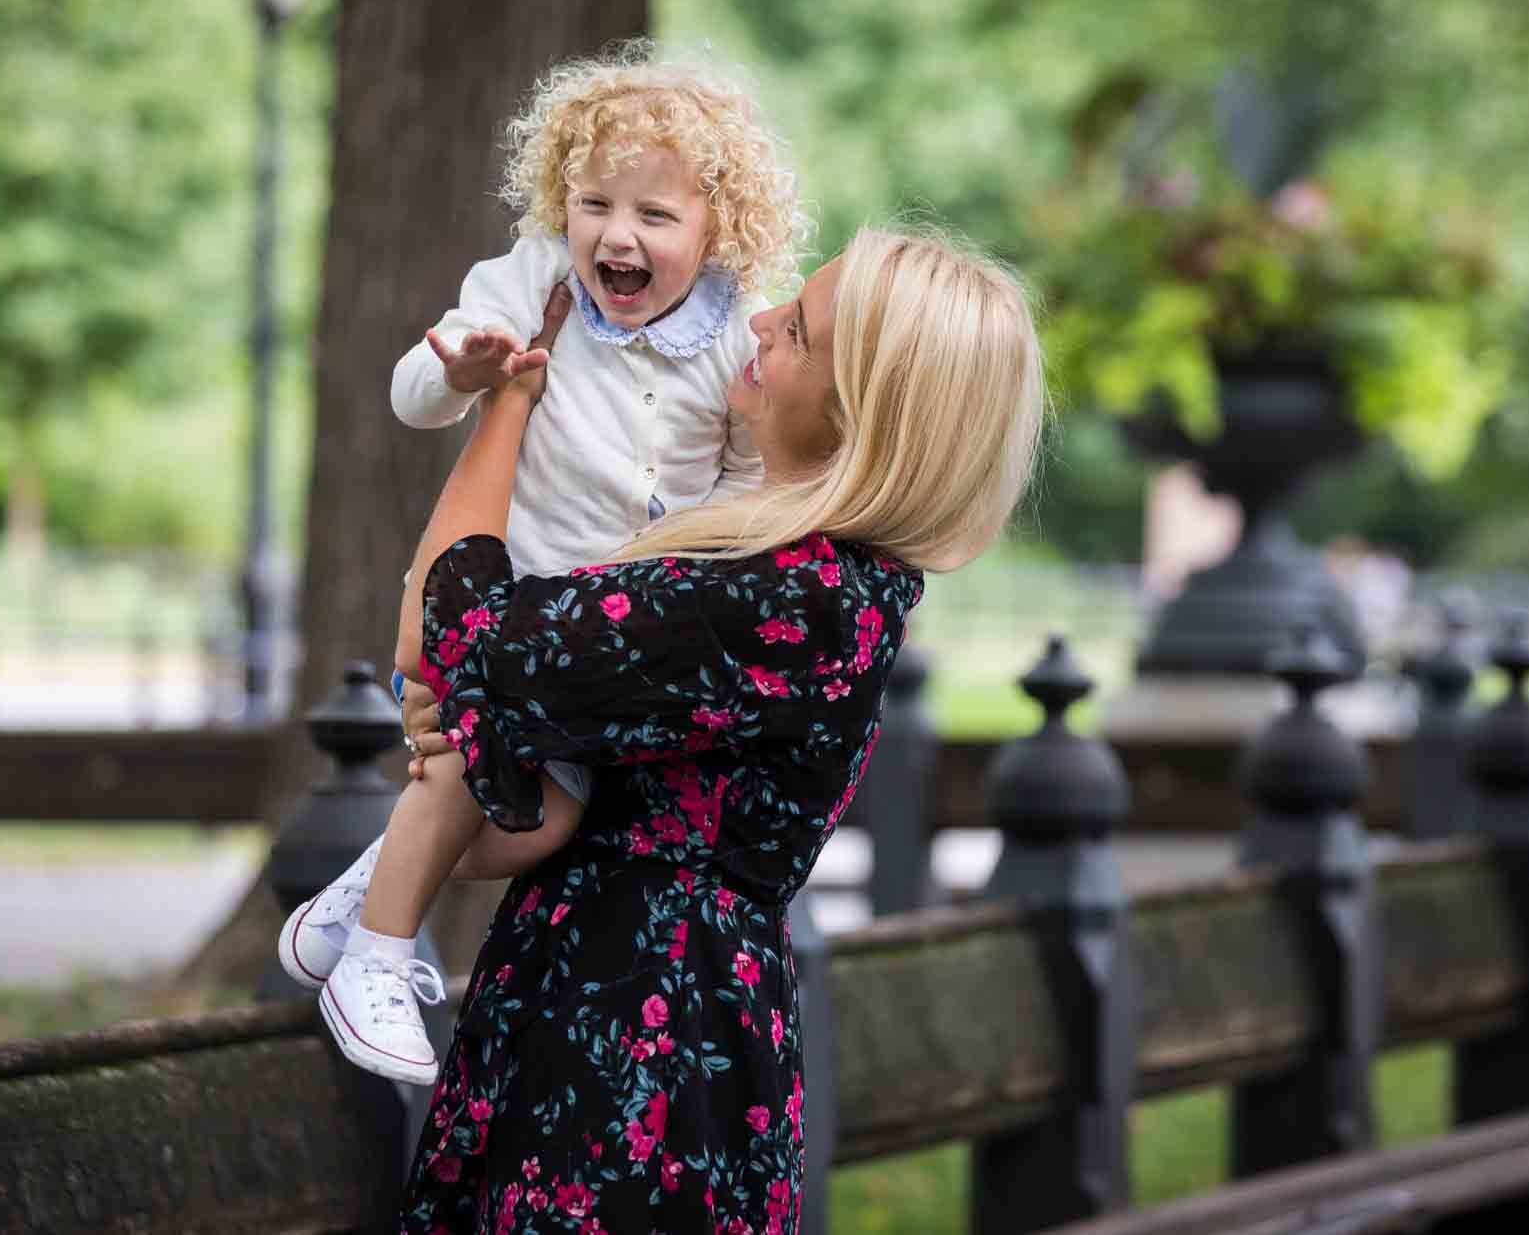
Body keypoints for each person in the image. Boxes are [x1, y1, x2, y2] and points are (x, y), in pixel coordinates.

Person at [393, 224, 1046, 1232]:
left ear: (857, 406)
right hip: (627, 995)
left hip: (638, 1042)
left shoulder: (791, 596)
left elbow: (468, 639)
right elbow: (498, 696)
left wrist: (510, 402)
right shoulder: (813, 577)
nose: (759, 319)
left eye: (798, 329)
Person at [274, 43, 809, 1084]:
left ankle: (362, 893)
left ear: (714, 231)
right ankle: (375, 957)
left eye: (654, 218)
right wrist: (463, 368)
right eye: (593, 203)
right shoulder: (529, 282)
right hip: (510, 605)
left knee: (539, 824)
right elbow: (413, 393)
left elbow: (742, 476)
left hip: (609, 632)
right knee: (470, 770)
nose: (616, 234)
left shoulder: (727, 338)